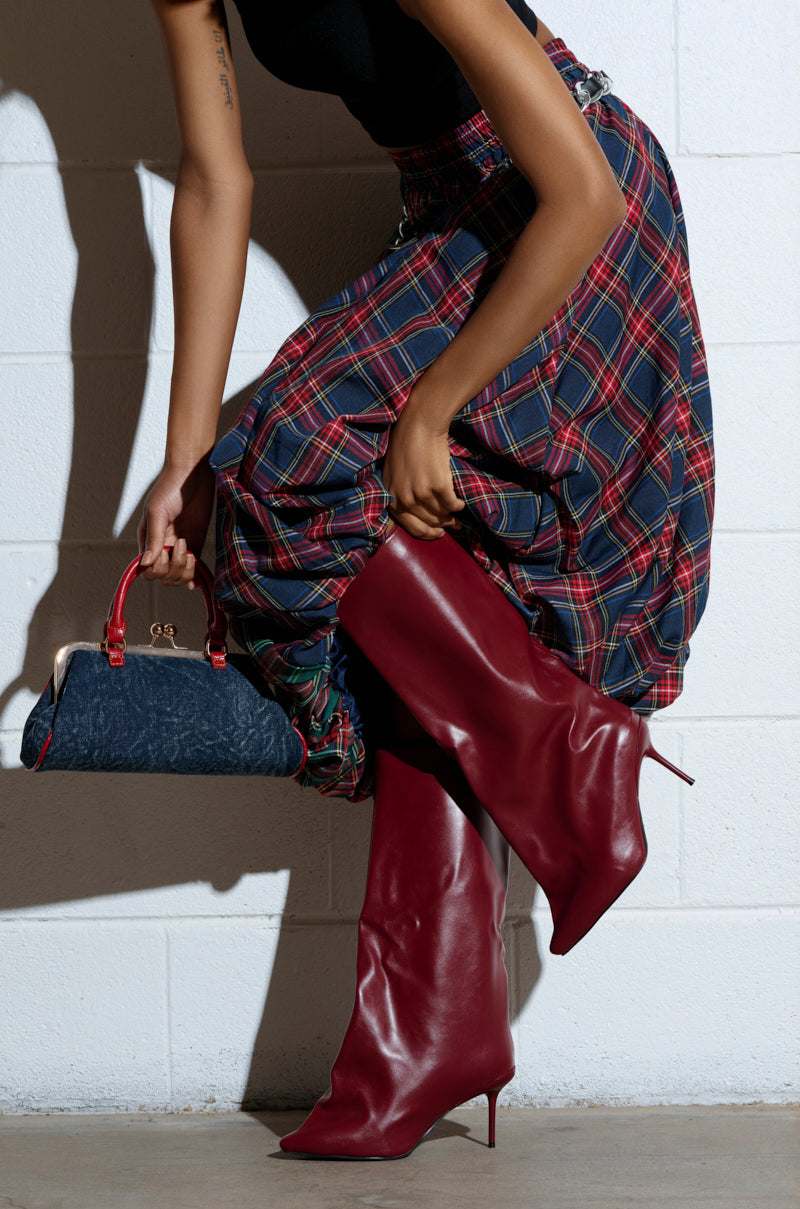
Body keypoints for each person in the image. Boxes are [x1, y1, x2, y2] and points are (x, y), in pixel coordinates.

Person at [139, 0, 714, 1159]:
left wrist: (436, 402)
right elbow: (211, 185)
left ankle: (561, 759)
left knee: (290, 458)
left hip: (568, 213)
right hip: (454, 221)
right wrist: (182, 458)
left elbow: (584, 189)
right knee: (393, 598)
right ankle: (426, 1036)